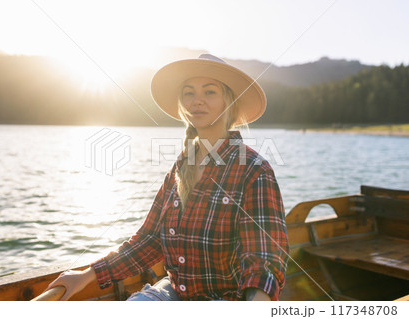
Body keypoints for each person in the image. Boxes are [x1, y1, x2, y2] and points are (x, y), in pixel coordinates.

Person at [46, 54, 289, 301]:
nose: (197, 101)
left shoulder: (254, 170)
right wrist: (86, 275)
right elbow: (149, 240)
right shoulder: (179, 169)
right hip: (174, 292)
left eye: (210, 92)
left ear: (229, 102)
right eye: (188, 93)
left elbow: (264, 258)